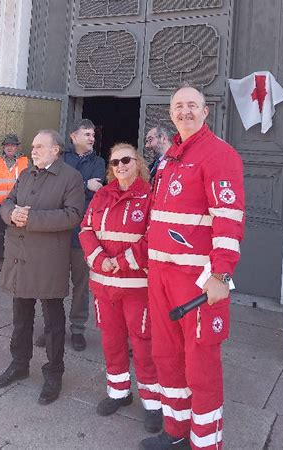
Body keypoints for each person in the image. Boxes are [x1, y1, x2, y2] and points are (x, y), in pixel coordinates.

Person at [140, 86, 245, 450]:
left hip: (198, 282)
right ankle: (176, 431)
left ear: (205, 112)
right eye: (178, 106)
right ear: (171, 114)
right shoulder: (169, 158)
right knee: (166, 357)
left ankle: (205, 443)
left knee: (200, 365)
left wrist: (221, 274)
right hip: (162, 277)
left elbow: (228, 220)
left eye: (192, 106)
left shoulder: (220, 154)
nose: (185, 112)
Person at [0, 129, 84, 405]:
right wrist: (11, 213)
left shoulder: (71, 177)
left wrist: (30, 218)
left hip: (49, 261)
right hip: (21, 257)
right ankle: (19, 364)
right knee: (21, 318)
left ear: (56, 149)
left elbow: (73, 215)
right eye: (33, 147)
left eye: (40, 147)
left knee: (53, 322)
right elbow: (7, 202)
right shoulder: (26, 174)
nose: (34, 151)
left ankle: (54, 373)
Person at [79, 143, 162, 434]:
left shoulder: (150, 196)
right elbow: (86, 229)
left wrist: (122, 261)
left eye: (126, 160)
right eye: (115, 162)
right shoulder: (102, 193)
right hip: (104, 286)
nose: (120, 166)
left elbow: (154, 238)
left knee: (143, 345)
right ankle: (119, 392)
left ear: (137, 162)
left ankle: (153, 402)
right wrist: (101, 260)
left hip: (137, 287)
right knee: (111, 341)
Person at [35, 118, 105, 351]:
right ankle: (51, 327)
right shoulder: (60, 158)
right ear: (73, 137)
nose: (91, 138)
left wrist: (73, 185)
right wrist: (85, 185)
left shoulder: (99, 162)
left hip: (83, 233)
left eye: (93, 134)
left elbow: (96, 191)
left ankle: (77, 329)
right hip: (57, 231)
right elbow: (55, 187)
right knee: (52, 283)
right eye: (86, 134)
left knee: (81, 285)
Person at [0, 134, 29, 272]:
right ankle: (0, 261)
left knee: (18, 235)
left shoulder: (25, 162)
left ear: (17, 147)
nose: (10, 147)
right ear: (4, 147)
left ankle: (16, 261)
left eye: (12, 145)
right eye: (7, 145)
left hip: (17, 205)